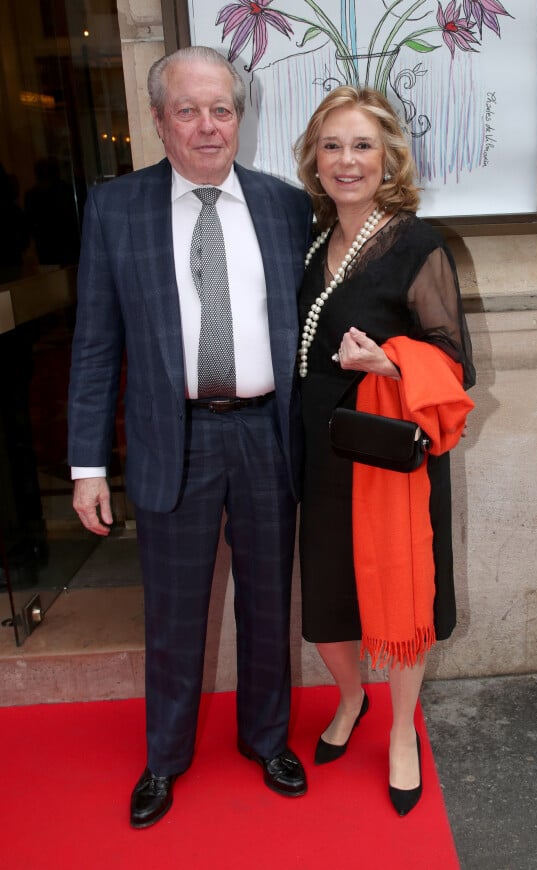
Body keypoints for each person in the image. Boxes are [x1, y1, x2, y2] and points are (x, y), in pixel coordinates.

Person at [68, 46, 312, 829]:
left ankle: (266, 739)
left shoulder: (283, 206)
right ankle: (165, 759)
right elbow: (96, 342)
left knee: (270, 604)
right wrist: (86, 465)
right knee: (174, 614)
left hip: (267, 434)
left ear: (240, 117)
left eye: (223, 110)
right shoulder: (116, 208)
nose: (208, 127)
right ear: (158, 118)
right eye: (189, 110)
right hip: (175, 437)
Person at [294, 86, 475, 816]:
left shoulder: (416, 243)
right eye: (332, 145)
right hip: (318, 451)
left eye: (362, 145)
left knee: (400, 597)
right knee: (330, 603)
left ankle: (401, 729)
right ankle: (349, 699)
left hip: (389, 455)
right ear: (314, 157)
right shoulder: (313, 240)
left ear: (388, 157)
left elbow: (455, 363)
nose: (346, 160)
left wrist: (390, 364)